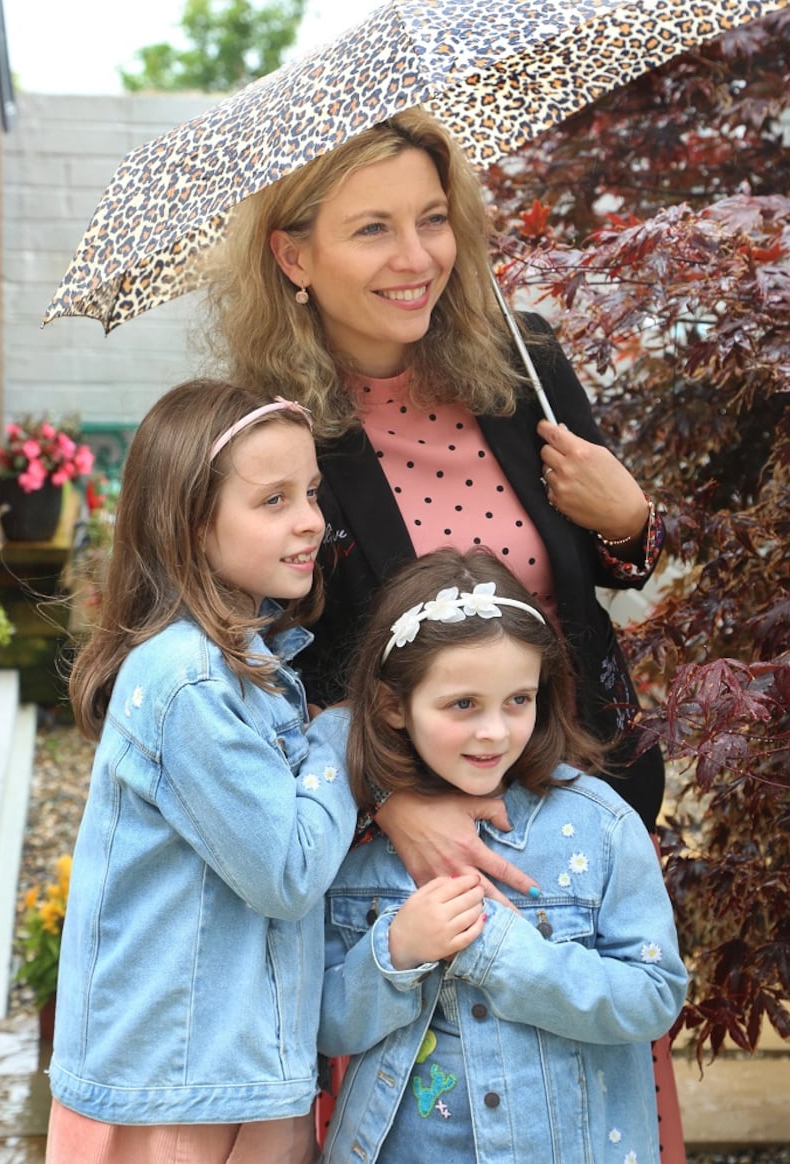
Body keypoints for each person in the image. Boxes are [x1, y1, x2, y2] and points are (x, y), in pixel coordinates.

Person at [203, 106, 684, 1157]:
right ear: (293, 253)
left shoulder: (523, 369)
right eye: (371, 228)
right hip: (402, 879)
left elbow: (593, 577)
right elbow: (250, 664)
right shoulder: (269, 433)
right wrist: (387, 799)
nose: (415, 257)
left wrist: (629, 521)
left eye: (433, 218)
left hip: (575, 812)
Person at [45, 380, 356, 1164]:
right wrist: (344, 742)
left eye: (312, 491)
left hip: (226, 1065)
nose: (310, 520)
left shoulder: (237, 666)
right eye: (274, 499)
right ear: (190, 522)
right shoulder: (189, 679)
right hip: (179, 1084)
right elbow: (284, 870)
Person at [318, 546, 687, 1163]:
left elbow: (654, 995)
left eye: (518, 699)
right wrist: (395, 951)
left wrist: (513, 960)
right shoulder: (356, 845)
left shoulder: (599, 827)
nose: (495, 730)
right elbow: (322, 1024)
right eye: (463, 704)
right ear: (391, 704)